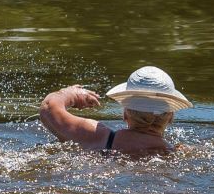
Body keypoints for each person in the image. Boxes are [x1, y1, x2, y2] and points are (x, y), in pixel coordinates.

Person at [39, 66, 193, 154]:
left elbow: (48, 108)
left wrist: (72, 93)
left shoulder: (98, 137)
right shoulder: (179, 152)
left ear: (125, 113)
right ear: (171, 117)